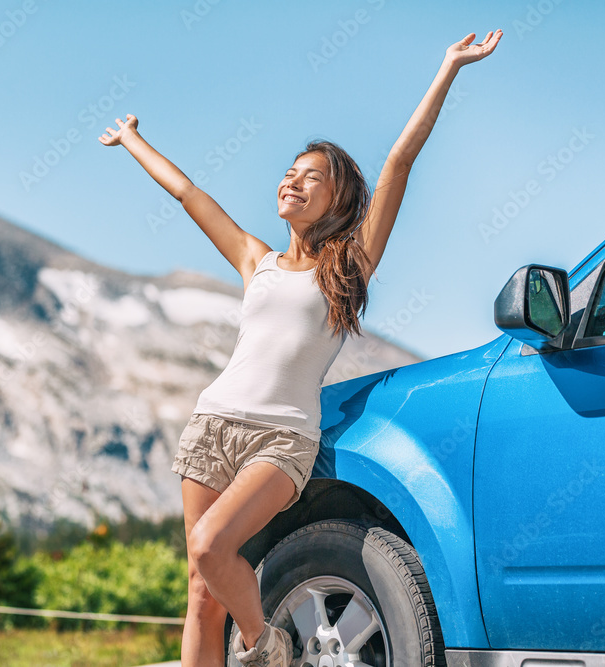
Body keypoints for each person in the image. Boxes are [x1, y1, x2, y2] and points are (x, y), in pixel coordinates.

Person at [98, 30, 502, 667]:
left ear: (336, 198)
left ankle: (266, 643)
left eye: (311, 177)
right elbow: (187, 194)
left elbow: (398, 162)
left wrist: (448, 68)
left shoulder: (350, 267)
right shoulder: (255, 259)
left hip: (281, 439)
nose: (293, 180)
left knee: (210, 547)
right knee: (201, 593)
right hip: (211, 426)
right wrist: (132, 141)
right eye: (290, 172)